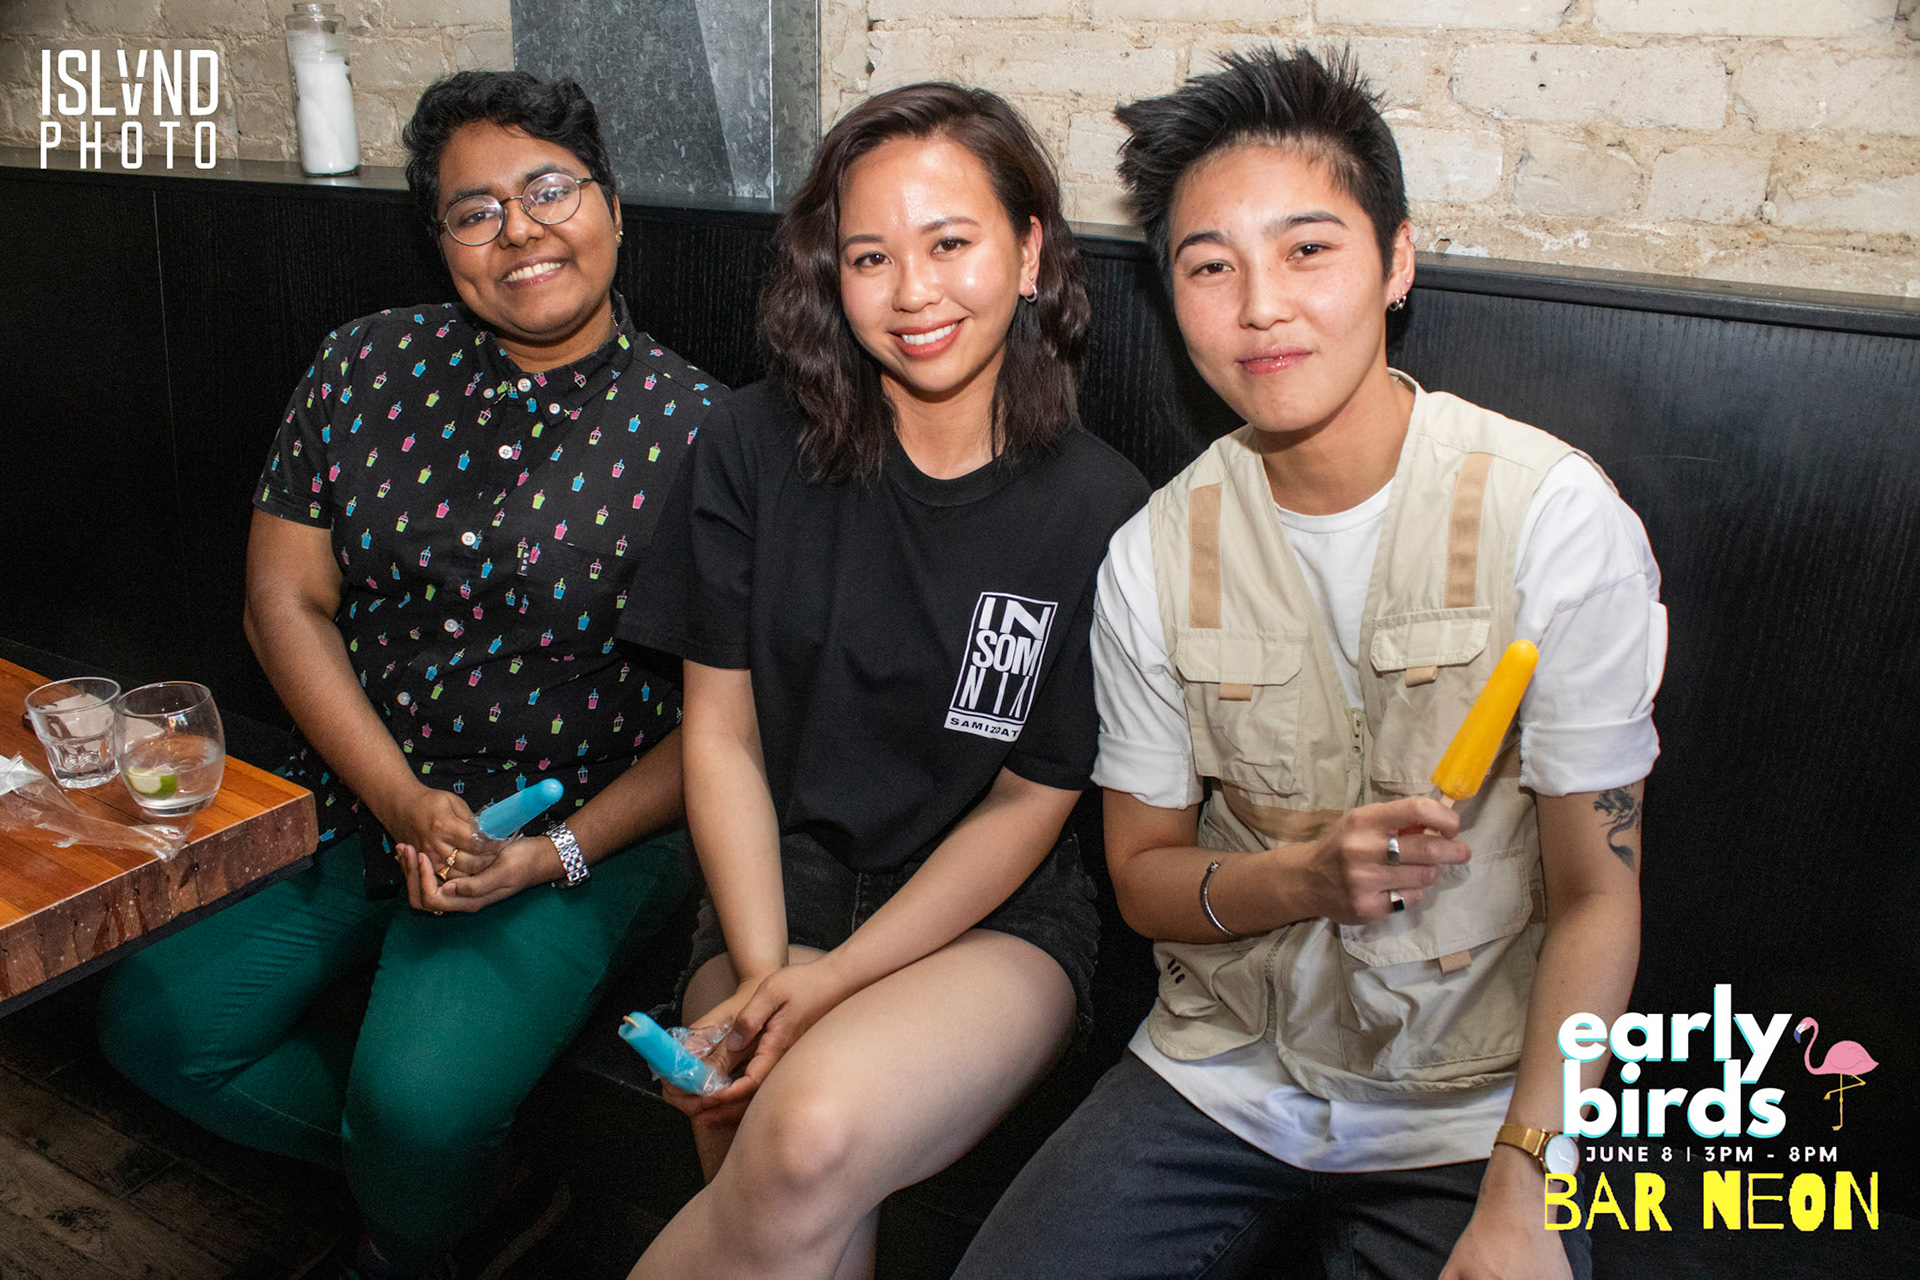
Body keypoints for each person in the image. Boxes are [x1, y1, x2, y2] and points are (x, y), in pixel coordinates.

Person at [958, 47, 1664, 1280]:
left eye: (1307, 250)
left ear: (1396, 262)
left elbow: (1598, 896)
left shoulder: (1553, 517)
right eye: (1210, 266)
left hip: (1479, 1101)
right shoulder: (1152, 554)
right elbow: (1143, 877)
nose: (1260, 307)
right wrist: (1302, 878)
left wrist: (1527, 1182)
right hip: (1223, 1063)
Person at [95, 71, 721, 1280]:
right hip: (362, 788)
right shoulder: (362, 364)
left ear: (613, 205)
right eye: (475, 211)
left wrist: (545, 852)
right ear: (440, 241)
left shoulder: (707, 433)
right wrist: (395, 797)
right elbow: (283, 600)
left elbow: (723, 720)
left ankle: (419, 1224)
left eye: (551, 189)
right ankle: (459, 1181)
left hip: (581, 830)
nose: (520, 229)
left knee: (419, 1109)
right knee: (158, 1027)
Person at [619, 82, 1148, 1280]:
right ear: (832, 275)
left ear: (1029, 254)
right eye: (871, 257)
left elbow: (1031, 798)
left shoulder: (1101, 508)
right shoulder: (748, 445)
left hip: (991, 923)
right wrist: (769, 973)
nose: (913, 291)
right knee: (782, 1162)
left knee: (803, 1127)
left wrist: (833, 987)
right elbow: (721, 736)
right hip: (776, 888)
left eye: (950, 243)